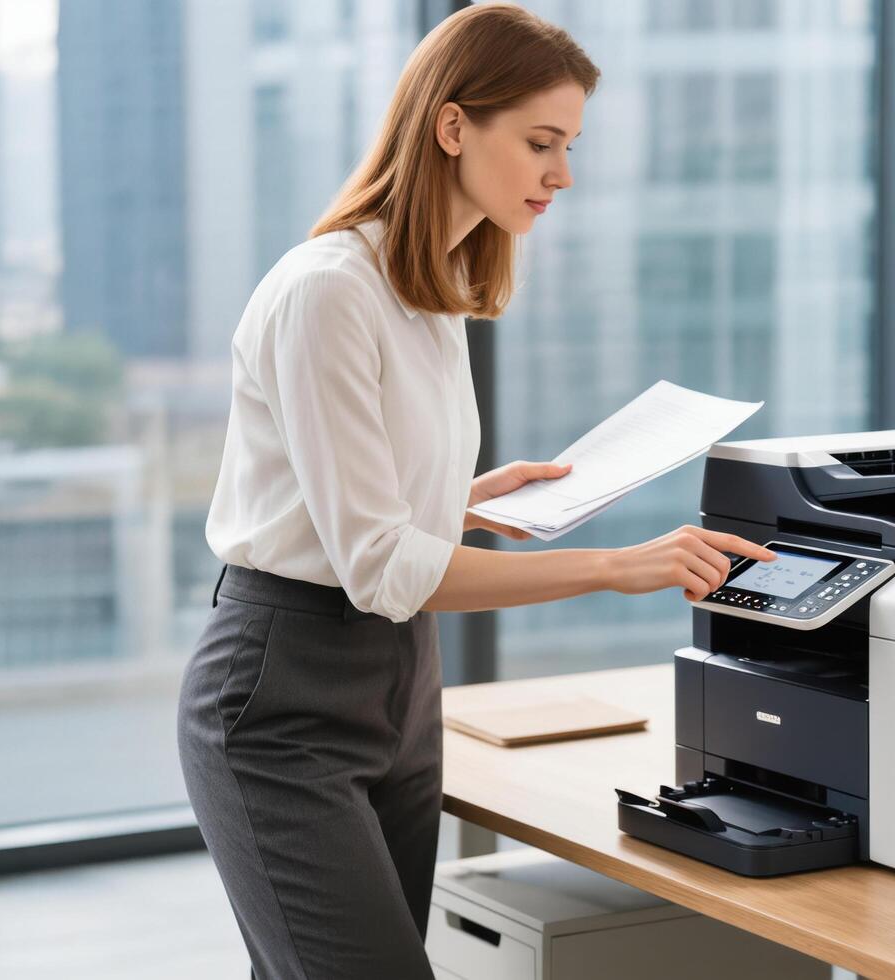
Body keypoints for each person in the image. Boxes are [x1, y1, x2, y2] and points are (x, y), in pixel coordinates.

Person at [175, 5, 775, 977]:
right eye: (540, 143)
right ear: (453, 127)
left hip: (400, 680)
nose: (562, 174)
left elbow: (355, 511)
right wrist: (616, 565)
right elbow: (376, 565)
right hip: (283, 690)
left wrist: (459, 500)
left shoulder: (431, 289)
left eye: (569, 145)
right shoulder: (328, 289)